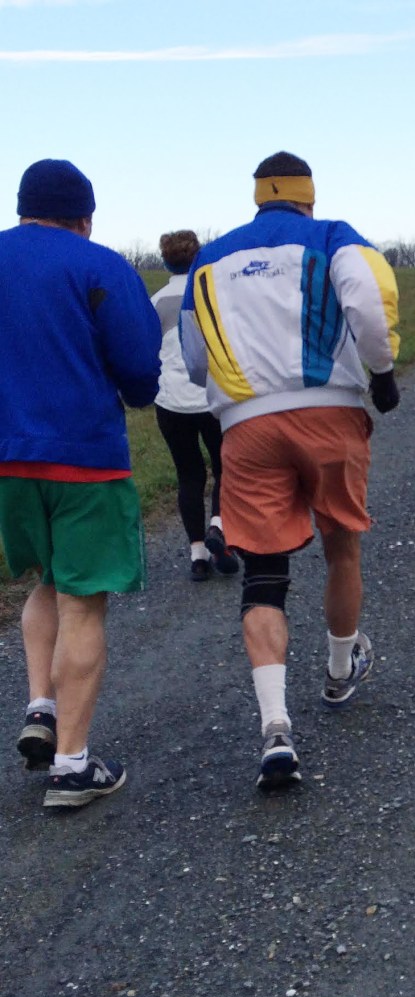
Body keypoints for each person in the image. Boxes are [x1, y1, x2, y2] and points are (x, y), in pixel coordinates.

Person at [180, 151, 400, 789]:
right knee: (341, 548)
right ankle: (337, 672)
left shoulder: (212, 254)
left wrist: (228, 395)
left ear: (257, 197)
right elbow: (364, 297)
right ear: (308, 195)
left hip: (247, 423)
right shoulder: (331, 235)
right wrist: (381, 373)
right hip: (329, 409)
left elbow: (195, 356)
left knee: (264, 573)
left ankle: (275, 728)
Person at [0, 159, 162, 808]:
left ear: (21, 207)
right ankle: (72, 765)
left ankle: (42, 704)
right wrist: (135, 390)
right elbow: (138, 367)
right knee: (83, 600)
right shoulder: (99, 267)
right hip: (85, 459)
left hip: (8, 460)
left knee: (44, 576)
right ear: (85, 216)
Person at [151, 230, 239, 581]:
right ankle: (220, 528)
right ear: (198, 256)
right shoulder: (213, 293)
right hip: (212, 396)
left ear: (165, 260)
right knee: (225, 469)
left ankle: (198, 556)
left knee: (188, 475)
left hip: (170, 401)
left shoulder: (155, 301)